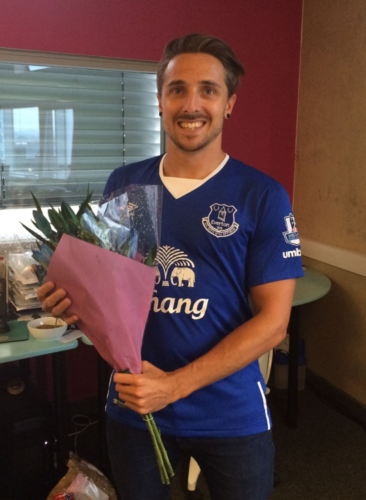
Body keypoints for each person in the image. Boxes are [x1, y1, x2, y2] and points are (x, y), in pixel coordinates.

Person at [37, 33, 304, 500]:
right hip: (136, 406)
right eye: (177, 89)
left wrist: (175, 386)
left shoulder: (260, 195)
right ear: (159, 100)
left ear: (230, 104)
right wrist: (68, 303)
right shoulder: (125, 184)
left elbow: (274, 324)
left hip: (230, 411)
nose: (191, 104)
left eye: (208, 90)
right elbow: (106, 294)